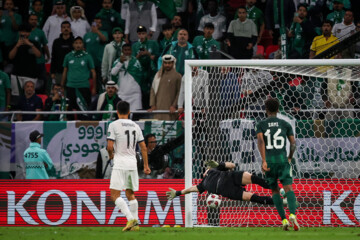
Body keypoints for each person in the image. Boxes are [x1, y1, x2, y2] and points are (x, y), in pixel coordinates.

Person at [255, 98, 299, 231]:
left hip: (269, 162)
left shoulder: (261, 124)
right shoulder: (285, 124)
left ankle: (283, 220)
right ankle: (292, 214)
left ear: (266, 110)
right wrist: (290, 157)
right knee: (288, 189)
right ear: (278, 109)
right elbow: (293, 144)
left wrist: (263, 161)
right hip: (282, 160)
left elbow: (261, 142)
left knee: (274, 190)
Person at [107, 101, 151, 231]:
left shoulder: (113, 125)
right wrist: (146, 165)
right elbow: (143, 147)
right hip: (133, 164)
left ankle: (130, 219)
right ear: (129, 112)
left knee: (114, 195)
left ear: (117, 112)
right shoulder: (136, 126)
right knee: (130, 193)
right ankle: (135, 224)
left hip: (120, 163)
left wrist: (111, 155)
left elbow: (110, 146)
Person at [166, 160, 274, 205]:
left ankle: (275, 188)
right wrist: (178, 193)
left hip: (230, 179)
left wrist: (219, 164)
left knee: (253, 179)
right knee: (252, 197)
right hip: (228, 189)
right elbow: (190, 189)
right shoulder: (202, 184)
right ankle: (277, 201)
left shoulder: (213, 170)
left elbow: (232, 166)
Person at [61, 36, 96, 119]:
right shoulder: (68, 56)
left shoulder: (88, 56)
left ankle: (85, 128)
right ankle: (70, 128)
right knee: (69, 110)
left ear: (83, 44)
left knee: (85, 111)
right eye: (76, 43)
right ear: (73, 44)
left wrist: (94, 87)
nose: (78, 45)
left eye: (80, 43)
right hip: (71, 86)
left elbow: (93, 73)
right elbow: (65, 71)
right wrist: (62, 85)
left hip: (84, 86)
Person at [9, 23, 41, 100]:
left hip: (31, 75)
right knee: (16, 96)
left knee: (30, 96)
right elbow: (10, 57)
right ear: (19, 32)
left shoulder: (34, 43)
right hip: (17, 74)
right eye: (22, 31)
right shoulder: (14, 43)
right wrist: (17, 45)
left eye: (27, 32)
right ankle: (17, 111)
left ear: (29, 33)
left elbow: (39, 55)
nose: (24, 33)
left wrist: (30, 44)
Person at [132, 25, 159, 108]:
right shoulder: (135, 46)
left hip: (151, 72)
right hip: (140, 73)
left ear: (146, 34)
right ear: (137, 34)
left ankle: (153, 107)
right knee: (141, 92)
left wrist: (148, 54)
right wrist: (138, 56)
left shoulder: (153, 43)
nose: (141, 36)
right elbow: (132, 60)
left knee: (153, 90)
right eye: (139, 34)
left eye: (143, 33)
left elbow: (157, 57)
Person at [111, 43, 144, 111]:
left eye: (129, 50)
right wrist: (120, 63)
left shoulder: (136, 61)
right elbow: (113, 73)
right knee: (122, 116)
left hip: (135, 94)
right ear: (122, 51)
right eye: (125, 50)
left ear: (131, 51)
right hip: (122, 93)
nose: (127, 52)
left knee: (135, 117)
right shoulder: (117, 61)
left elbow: (140, 76)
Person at [148, 54, 182, 120]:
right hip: (158, 109)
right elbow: (153, 90)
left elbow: (179, 93)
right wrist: (153, 105)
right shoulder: (158, 75)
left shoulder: (177, 76)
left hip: (171, 111)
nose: (167, 65)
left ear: (173, 63)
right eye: (165, 63)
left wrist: (174, 105)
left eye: (169, 63)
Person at [83, 17, 108, 93]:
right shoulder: (86, 35)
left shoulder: (104, 33)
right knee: (90, 82)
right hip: (90, 64)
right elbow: (84, 48)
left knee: (101, 83)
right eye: (95, 23)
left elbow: (104, 39)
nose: (96, 24)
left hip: (100, 63)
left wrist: (97, 31)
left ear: (101, 24)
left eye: (98, 23)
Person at [28, 13, 50, 93]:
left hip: (39, 61)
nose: (33, 21)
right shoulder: (24, 32)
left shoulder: (40, 32)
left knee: (42, 81)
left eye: (35, 20)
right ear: (28, 20)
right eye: (32, 19)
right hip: (29, 62)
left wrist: (48, 56)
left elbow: (45, 45)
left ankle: (42, 98)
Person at [50, 21, 74, 85]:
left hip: (72, 72)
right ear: (61, 29)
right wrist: (52, 72)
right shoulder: (56, 42)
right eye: (64, 27)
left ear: (70, 29)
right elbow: (53, 57)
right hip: (59, 72)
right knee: (60, 92)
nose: (66, 29)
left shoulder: (75, 41)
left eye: (68, 27)